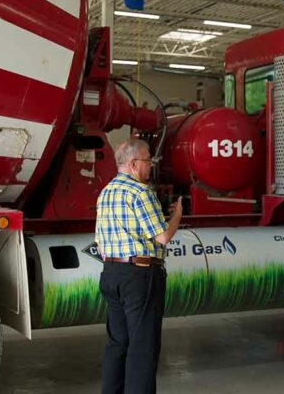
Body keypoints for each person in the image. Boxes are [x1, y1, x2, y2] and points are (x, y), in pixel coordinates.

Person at [96, 138, 182, 394]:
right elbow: (163, 236)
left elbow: (100, 244)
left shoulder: (106, 191)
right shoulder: (140, 192)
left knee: (117, 343)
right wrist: (177, 215)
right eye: (148, 160)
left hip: (111, 274)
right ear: (134, 164)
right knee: (143, 346)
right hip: (139, 275)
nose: (151, 166)